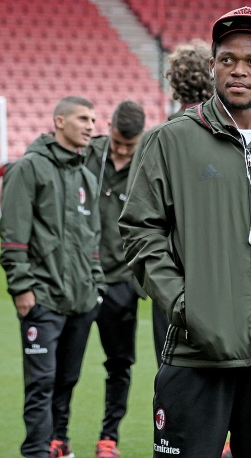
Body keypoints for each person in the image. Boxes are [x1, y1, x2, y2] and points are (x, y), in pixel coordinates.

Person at [119, 6, 251, 458]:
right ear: (212, 66)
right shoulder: (171, 140)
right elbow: (139, 231)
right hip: (197, 357)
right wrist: (185, 306)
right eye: (228, 59)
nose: (239, 70)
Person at [0, 96, 106, 458]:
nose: (91, 126)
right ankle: (36, 450)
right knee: (41, 382)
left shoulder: (86, 176)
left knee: (67, 380)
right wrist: (21, 287)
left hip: (82, 299)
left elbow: (93, 240)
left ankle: (58, 443)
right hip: (42, 297)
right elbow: (13, 234)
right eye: (83, 118)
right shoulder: (28, 168)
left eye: (93, 120)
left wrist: (96, 287)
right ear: (59, 121)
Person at [128, 39, 214, 367]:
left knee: (171, 373)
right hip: (223, 276)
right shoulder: (234, 135)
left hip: (170, 280)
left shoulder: (157, 137)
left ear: (174, 83)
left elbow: (137, 217)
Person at [84, 100, 146, 458]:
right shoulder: (86, 155)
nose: (122, 150)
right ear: (108, 128)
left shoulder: (149, 160)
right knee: (63, 366)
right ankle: (56, 436)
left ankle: (109, 438)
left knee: (119, 365)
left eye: (129, 145)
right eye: (118, 142)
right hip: (81, 278)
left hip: (122, 281)